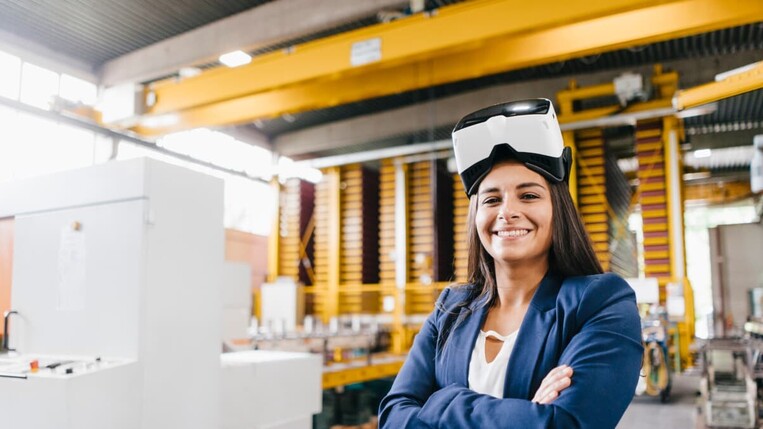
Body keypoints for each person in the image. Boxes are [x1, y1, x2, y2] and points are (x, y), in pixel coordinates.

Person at [379, 98, 643, 428]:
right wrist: (528, 414)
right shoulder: (449, 309)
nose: (507, 212)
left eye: (528, 195)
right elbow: (393, 416)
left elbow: (567, 424)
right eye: (491, 199)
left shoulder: (601, 303)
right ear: (476, 217)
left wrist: (442, 401)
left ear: (556, 210)